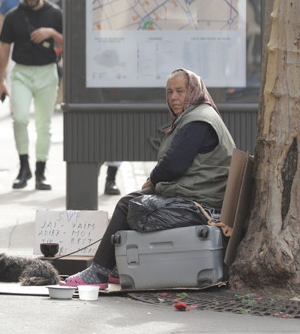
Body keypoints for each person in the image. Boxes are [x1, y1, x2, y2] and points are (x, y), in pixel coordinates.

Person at [62, 69, 236, 287]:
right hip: (196, 191)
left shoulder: (198, 121)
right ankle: (114, 268)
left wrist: (151, 181)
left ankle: (100, 272)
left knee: (130, 206)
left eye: (180, 91)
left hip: (202, 203)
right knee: (134, 199)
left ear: (193, 91)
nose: (174, 97)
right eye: (169, 92)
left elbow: (173, 164)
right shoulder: (196, 115)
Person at [0, 0, 63, 190]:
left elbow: (68, 41)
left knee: (44, 125)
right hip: (22, 73)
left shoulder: (55, 14)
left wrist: (51, 33)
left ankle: (41, 172)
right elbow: (4, 48)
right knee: (20, 119)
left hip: (46, 72)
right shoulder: (13, 16)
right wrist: (1, 80)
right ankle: (24, 167)